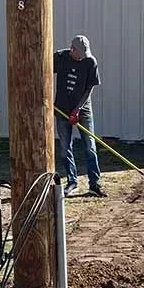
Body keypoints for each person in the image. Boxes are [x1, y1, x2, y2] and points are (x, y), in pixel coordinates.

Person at [54, 35, 107, 197]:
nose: (82, 57)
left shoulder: (90, 61)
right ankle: (72, 181)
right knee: (65, 148)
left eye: (85, 54)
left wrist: (77, 110)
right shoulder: (60, 57)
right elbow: (42, 70)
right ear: (72, 49)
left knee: (90, 147)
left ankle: (94, 184)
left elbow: (89, 87)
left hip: (83, 111)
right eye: (79, 54)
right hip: (62, 109)